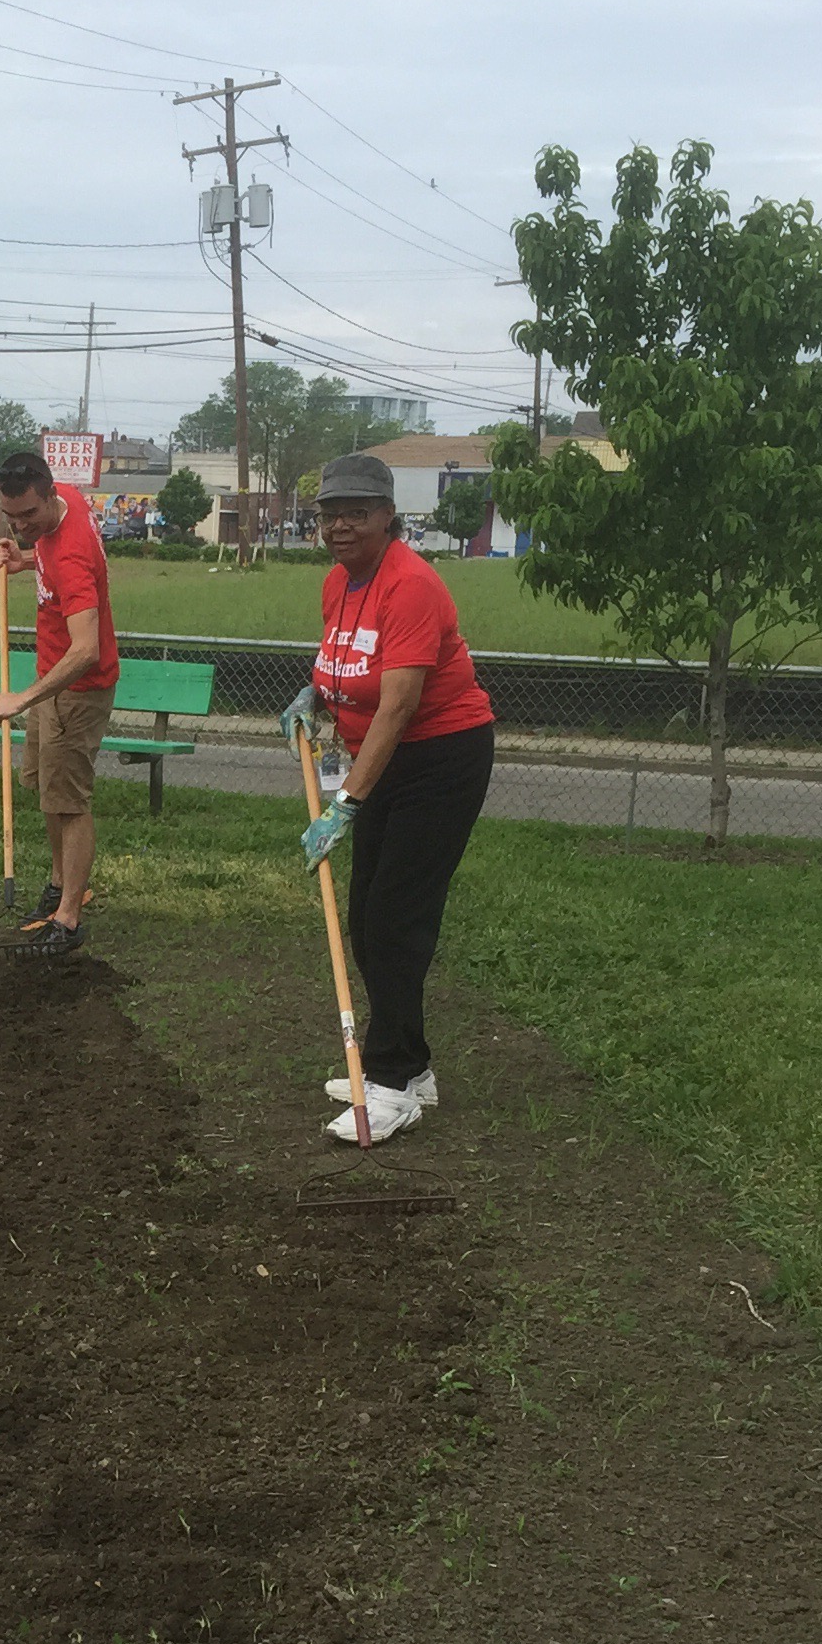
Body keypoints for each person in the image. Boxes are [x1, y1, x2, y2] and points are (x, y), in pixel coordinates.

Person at [281, 451, 496, 1145]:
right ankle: (413, 1066)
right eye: (328, 514)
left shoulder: (411, 586)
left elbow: (400, 704)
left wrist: (347, 805)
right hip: (384, 757)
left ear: (387, 517)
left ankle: (394, 1082)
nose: (339, 527)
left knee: (395, 921)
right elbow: (349, 664)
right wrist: (319, 694)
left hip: (438, 760)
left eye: (355, 513)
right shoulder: (339, 584)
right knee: (368, 913)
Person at [0, 449, 120, 954]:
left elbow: (86, 651)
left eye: (28, 516)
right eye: (11, 516)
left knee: (70, 801)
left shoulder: (71, 555)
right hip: (52, 678)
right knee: (48, 789)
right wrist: (23, 560)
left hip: (77, 690)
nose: (21, 525)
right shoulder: (63, 497)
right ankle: (60, 884)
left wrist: (23, 699)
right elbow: (41, 544)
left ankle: (68, 918)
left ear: (48, 496)